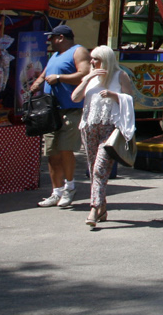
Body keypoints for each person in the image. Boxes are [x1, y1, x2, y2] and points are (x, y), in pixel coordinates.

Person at [71, 46, 135, 228]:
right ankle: (103, 208)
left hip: (110, 129)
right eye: (91, 59)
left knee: (100, 168)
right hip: (89, 127)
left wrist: (115, 95)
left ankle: (94, 208)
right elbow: (75, 97)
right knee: (93, 169)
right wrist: (88, 78)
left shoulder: (119, 75)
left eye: (96, 59)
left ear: (106, 60)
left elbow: (130, 99)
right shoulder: (91, 78)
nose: (92, 62)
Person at [30, 24, 91, 209]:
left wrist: (60, 78)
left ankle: (70, 187)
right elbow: (46, 72)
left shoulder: (78, 51)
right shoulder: (55, 56)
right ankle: (56, 192)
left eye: (52, 38)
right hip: (51, 111)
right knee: (51, 152)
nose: (50, 41)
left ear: (61, 38)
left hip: (70, 109)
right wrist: (38, 82)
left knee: (65, 149)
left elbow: (85, 73)